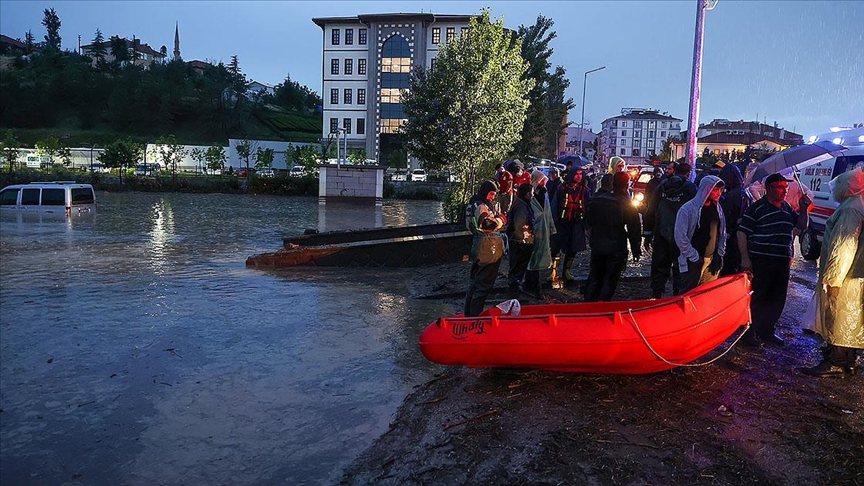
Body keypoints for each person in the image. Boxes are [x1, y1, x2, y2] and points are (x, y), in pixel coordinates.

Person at [800, 167, 864, 376]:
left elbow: (844, 245)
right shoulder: (857, 204)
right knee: (850, 318)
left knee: (838, 316)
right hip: (853, 274)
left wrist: (833, 278)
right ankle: (849, 358)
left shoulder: (850, 209)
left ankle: (835, 360)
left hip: (845, 275)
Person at [738, 172, 811, 346]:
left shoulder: (786, 207)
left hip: (781, 261)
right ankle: (750, 333)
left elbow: (801, 226)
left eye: (785, 188)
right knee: (759, 297)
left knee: (777, 298)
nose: (784, 191)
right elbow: (742, 232)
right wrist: (745, 259)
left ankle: (767, 331)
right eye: (780, 187)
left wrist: (803, 208)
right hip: (762, 260)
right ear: (769, 188)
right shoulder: (757, 208)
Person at [584, 172, 642, 302]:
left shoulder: (597, 200)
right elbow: (634, 229)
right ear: (626, 185)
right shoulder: (626, 204)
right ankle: (602, 306)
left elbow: (589, 220)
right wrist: (635, 249)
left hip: (598, 244)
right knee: (610, 279)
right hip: (616, 246)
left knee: (595, 276)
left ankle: (588, 303)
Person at [644, 163, 698, 298]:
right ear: (688, 173)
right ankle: (678, 298)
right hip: (682, 234)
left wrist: (647, 233)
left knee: (660, 266)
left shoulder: (661, 186)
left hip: (662, 231)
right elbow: (696, 211)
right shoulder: (690, 188)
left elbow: (651, 210)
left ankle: (656, 295)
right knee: (680, 267)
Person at [674, 175, 726, 293]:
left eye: (720, 190)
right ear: (706, 189)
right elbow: (680, 236)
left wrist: (719, 253)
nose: (719, 193)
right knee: (689, 294)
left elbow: (722, 232)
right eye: (715, 189)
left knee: (708, 294)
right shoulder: (688, 209)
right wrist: (693, 256)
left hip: (711, 259)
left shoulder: (717, 209)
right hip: (693, 261)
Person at [464, 180, 507, 317]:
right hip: (487, 249)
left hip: (480, 246)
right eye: (491, 194)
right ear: (485, 192)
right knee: (483, 285)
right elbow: (488, 224)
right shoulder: (480, 206)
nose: (493, 197)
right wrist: (501, 220)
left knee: (475, 283)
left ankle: (468, 315)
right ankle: (475, 318)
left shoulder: (474, 203)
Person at [551, 167, 590, 282]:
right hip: (562, 223)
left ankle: (566, 271)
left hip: (577, 223)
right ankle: (553, 271)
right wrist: (553, 221)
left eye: (580, 174)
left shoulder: (585, 190)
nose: (579, 176)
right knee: (556, 247)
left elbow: (588, 206)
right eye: (576, 174)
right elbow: (555, 204)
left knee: (573, 248)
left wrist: (587, 225)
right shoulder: (561, 188)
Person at [524, 170, 557, 292]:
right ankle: (532, 283)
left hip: (544, 228)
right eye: (542, 180)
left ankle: (535, 283)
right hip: (535, 228)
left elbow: (548, 212)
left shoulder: (544, 193)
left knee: (540, 254)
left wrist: (552, 228)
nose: (544, 182)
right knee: (533, 255)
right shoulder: (529, 194)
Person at [718, 164, 750, 275]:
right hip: (742, 237)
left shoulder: (732, 195)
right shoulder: (745, 193)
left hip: (732, 238)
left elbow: (726, 218)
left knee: (728, 269)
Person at [506, 183, 535, 294]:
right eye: (531, 193)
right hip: (521, 241)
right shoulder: (521, 206)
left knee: (518, 266)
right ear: (527, 194)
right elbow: (520, 223)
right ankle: (514, 288)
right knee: (518, 265)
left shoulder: (520, 203)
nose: (532, 195)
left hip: (520, 240)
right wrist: (524, 237)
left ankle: (515, 286)